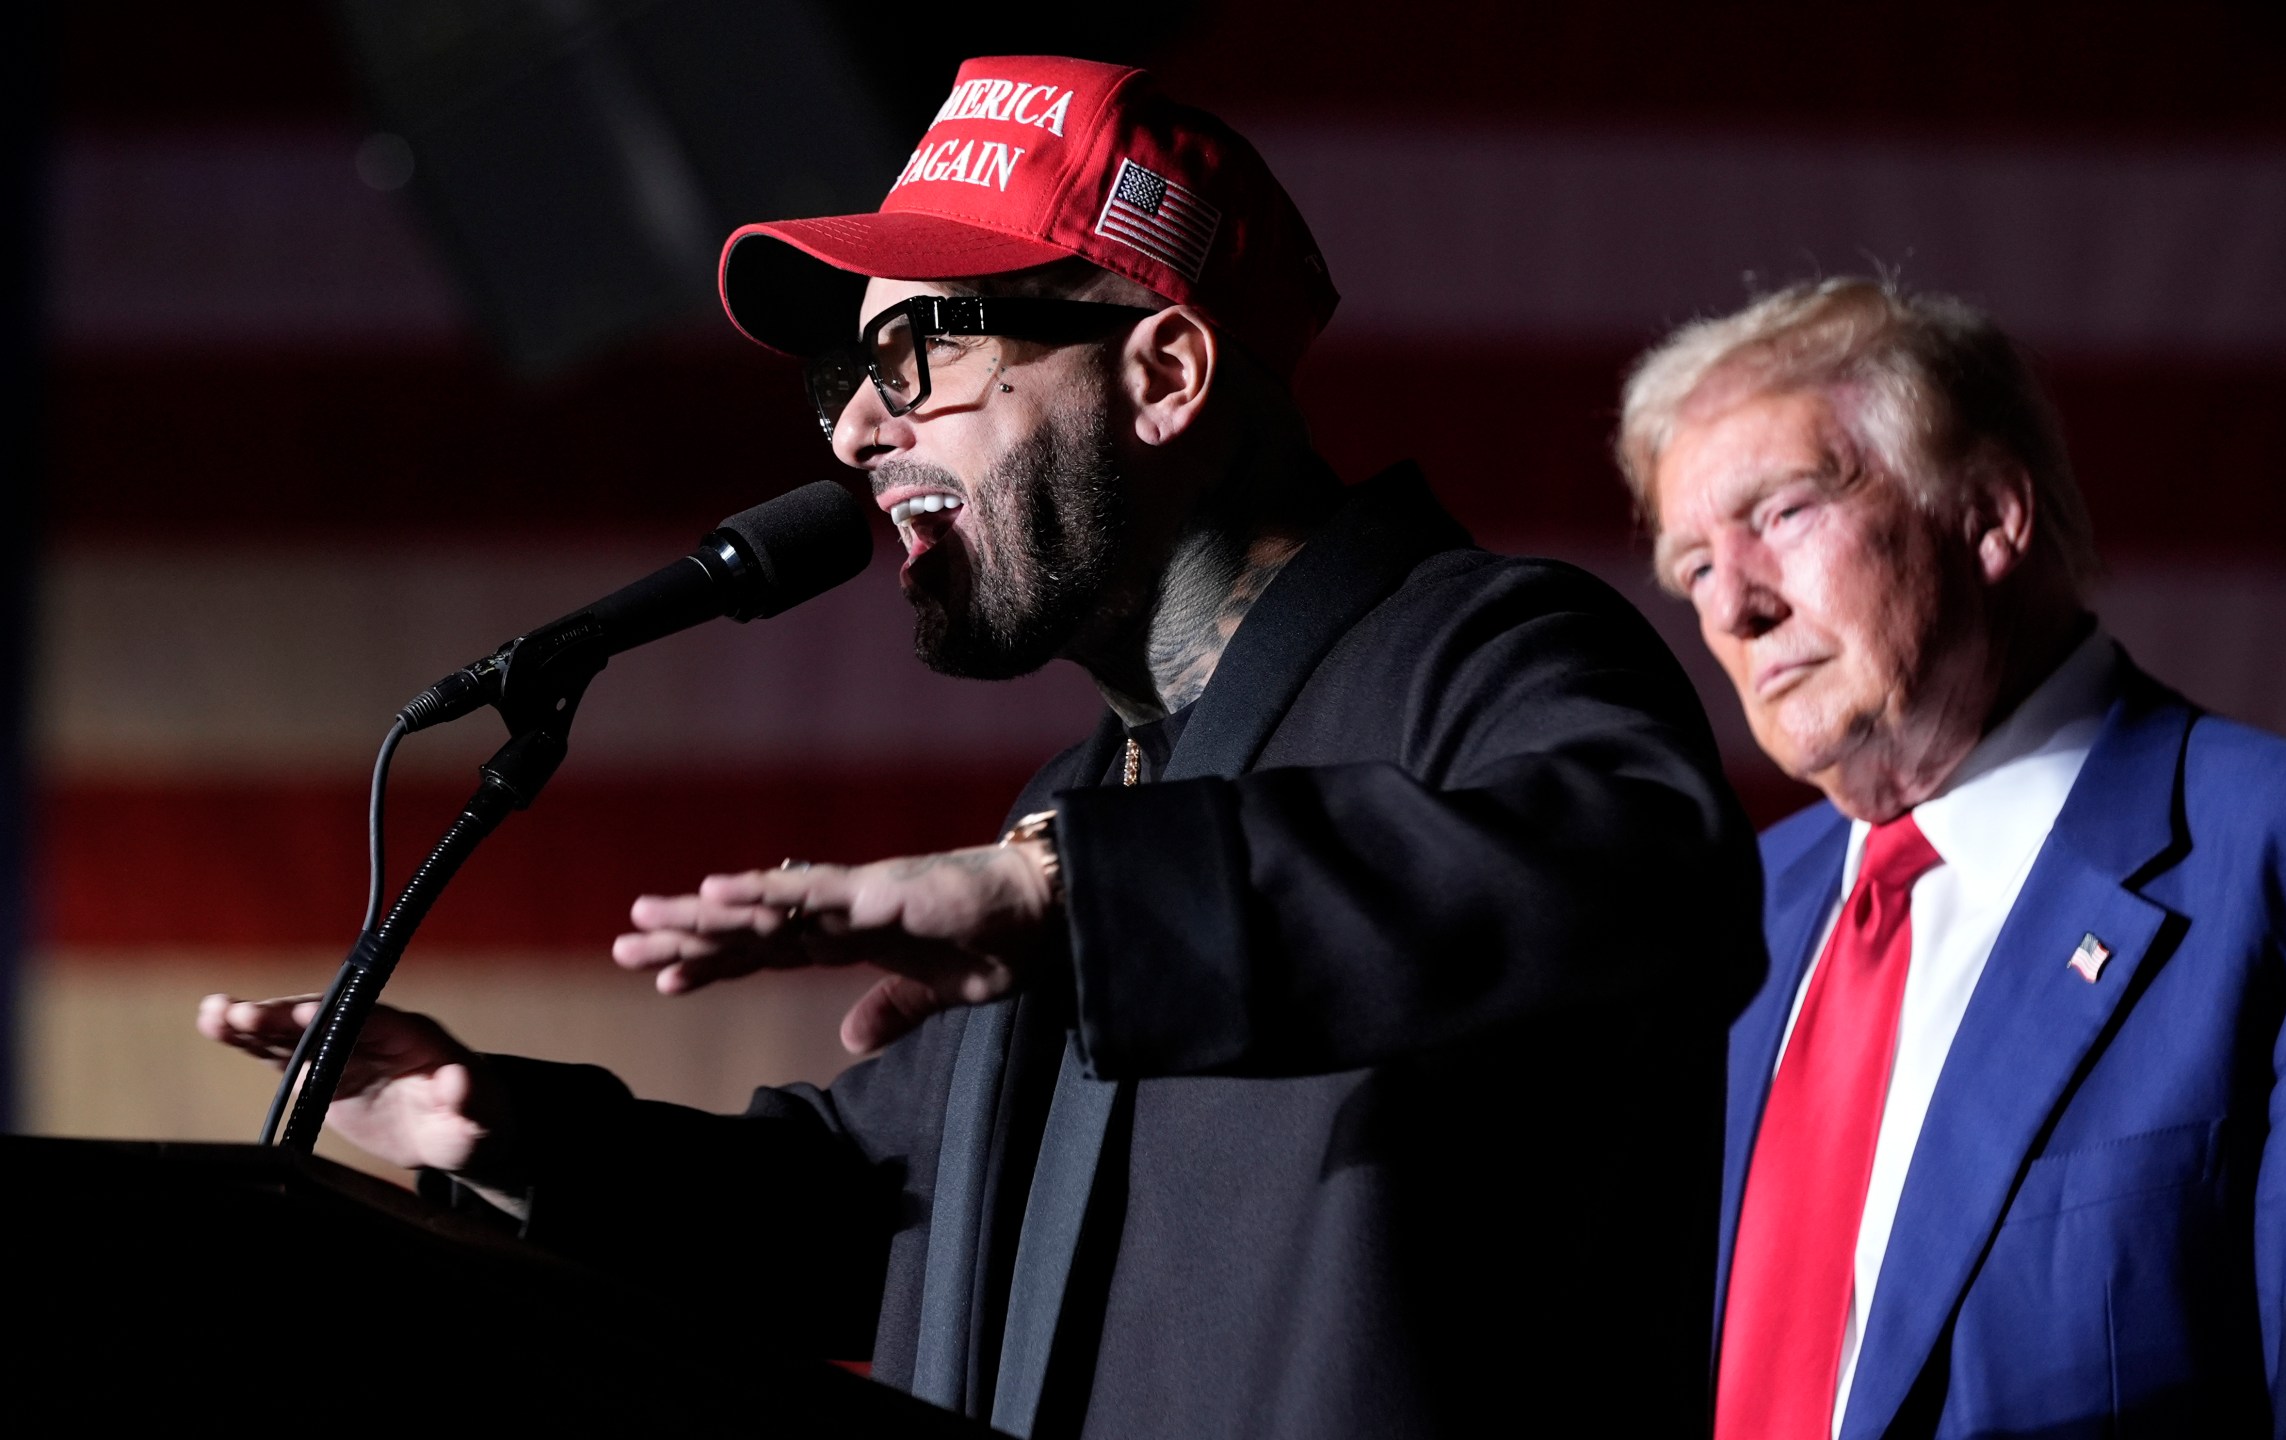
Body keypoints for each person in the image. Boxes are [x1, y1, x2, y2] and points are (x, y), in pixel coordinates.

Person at [202, 56, 1752, 1437]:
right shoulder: (1082, 800)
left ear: (1164, 375)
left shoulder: (1487, 655)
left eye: (918, 356)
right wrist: (513, 1137)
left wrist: (1067, 901)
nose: (855, 435)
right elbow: (878, 1213)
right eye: (846, 379)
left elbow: (1643, 877)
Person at [1616, 277, 2286, 1437]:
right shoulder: (1721, 925)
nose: (1734, 609)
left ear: (1994, 515)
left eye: (1782, 513)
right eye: (1694, 568)